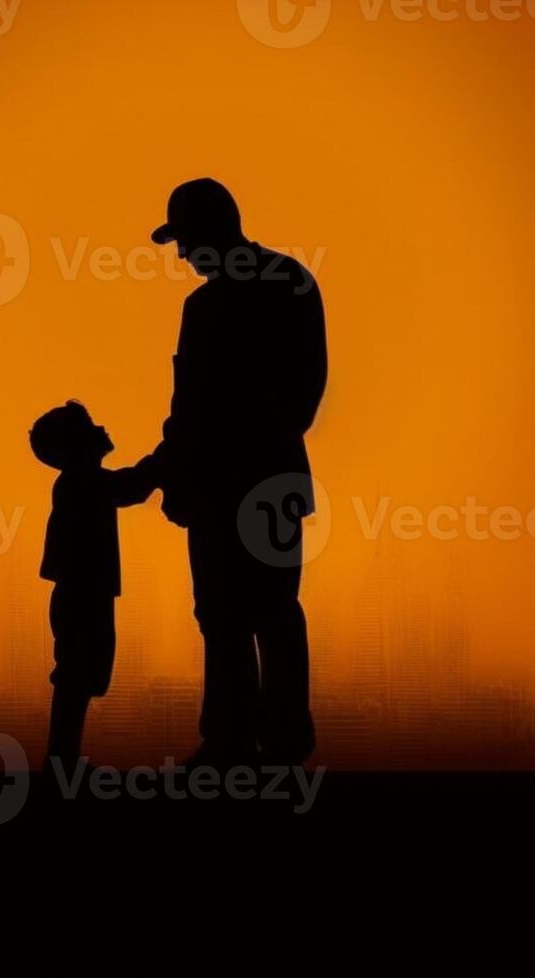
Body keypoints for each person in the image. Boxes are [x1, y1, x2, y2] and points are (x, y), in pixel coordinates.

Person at [141, 178, 327, 768]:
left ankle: (235, 739)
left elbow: (191, 405)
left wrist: (177, 473)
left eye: (183, 240)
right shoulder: (288, 282)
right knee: (264, 611)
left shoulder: (210, 305)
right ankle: (273, 740)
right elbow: (303, 389)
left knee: (232, 614)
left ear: (206, 231)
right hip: (266, 481)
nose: (181, 255)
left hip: (231, 483)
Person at [29, 401, 157, 769]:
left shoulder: (77, 482)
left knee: (80, 676)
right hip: (83, 595)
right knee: (76, 676)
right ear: (76, 446)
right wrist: (164, 460)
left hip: (83, 593)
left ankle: (63, 757)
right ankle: (62, 761)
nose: (101, 429)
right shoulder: (82, 483)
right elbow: (131, 486)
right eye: (90, 427)